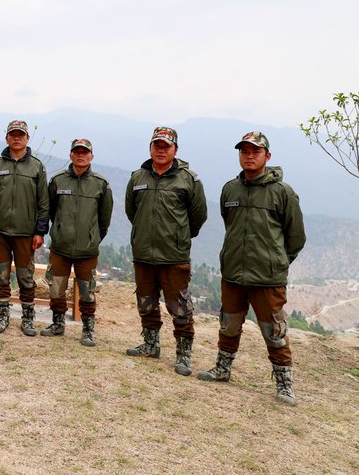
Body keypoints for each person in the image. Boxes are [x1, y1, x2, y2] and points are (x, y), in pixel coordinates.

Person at [198, 132, 305, 406]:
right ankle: (222, 369)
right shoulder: (230, 189)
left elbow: (296, 238)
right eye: (244, 151)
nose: (249, 155)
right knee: (229, 325)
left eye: (255, 151)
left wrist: (277, 261)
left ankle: (284, 383)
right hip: (234, 272)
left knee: (274, 331)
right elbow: (229, 223)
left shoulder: (283, 193)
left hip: (267, 278)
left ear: (267, 156)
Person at [124, 126, 207, 375]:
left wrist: (178, 237)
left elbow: (197, 217)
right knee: (146, 302)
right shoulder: (137, 177)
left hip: (174, 256)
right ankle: (150, 344)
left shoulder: (189, 180)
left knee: (179, 306)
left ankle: (183, 354)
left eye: (166, 146)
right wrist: (143, 235)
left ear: (175, 150)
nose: (161, 150)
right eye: (157, 146)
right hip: (143, 254)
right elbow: (132, 212)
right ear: (150, 148)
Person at [0, 120, 49, 336]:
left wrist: (40, 231)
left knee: (26, 277)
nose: (16, 138)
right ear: (7, 137)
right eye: (13, 134)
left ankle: (27, 319)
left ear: (27, 138)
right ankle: (3, 316)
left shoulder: (36, 167)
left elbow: (43, 202)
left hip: (25, 234)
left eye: (21, 134)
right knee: (0, 275)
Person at [42, 139, 113, 344]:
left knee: (87, 290)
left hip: (87, 250)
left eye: (85, 152)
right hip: (60, 247)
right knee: (56, 287)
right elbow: (52, 212)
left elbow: (104, 219)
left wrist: (94, 238)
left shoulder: (101, 184)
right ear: (71, 155)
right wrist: (59, 232)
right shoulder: (58, 181)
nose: (81, 155)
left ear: (91, 156)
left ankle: (88, 330)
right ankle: (57, 324)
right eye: (77, 152)